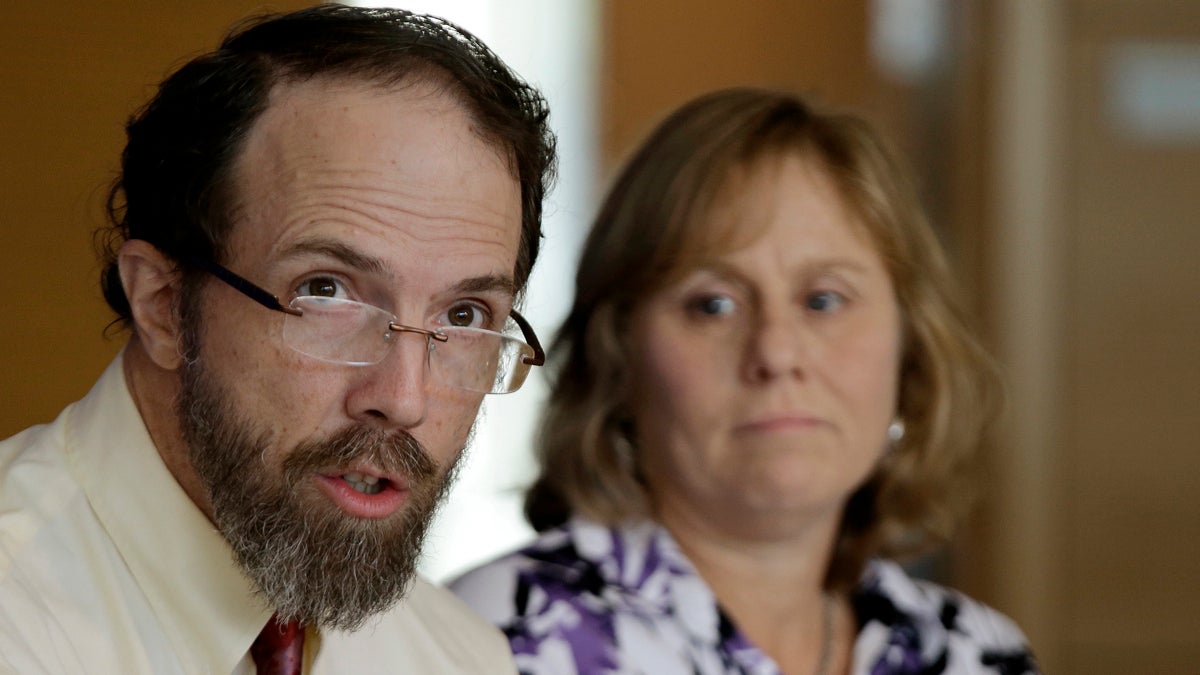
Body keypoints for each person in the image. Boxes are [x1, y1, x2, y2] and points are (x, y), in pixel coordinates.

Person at [0, 4, 555, 673]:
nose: (405, 399)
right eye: (327, 291)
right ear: (163, 304)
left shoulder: (462, 657)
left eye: (463, 316)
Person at [450, 88, 1039, 674]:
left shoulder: (977, 653)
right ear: (619, 358)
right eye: (713, 305)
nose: (776, 353)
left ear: (910, 352)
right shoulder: (491, 640)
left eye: (824, 299)